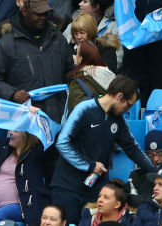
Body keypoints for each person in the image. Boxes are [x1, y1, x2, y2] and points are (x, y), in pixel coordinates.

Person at [51, 76, 151, 222]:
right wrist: (89, 165)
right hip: (68, 187)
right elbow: (62, 143)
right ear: (119, 96)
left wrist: (155, 171)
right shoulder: (84, 108)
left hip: (95, 191)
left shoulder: (118, 120)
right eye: (128, 105)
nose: (127, 110)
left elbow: (133, 149)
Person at [0, 0, 70, 122]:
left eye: (45, 13)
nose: (43, 17)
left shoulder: (58, 39)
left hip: (58, 119)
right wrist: (12, 94)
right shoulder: (6, 44)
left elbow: (69, 72)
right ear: (24, 11)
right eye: (38, 14)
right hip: (24, 122)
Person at [0, 130, 50, 225]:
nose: (10, 132)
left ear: (27, 136)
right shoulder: (4, 148)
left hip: (19, 206)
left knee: (2, 214)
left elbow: (49, 141)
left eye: (15, 130)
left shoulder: (35, 155)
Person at [128, 130, 162, 207]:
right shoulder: (140, 172)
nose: (155, 159)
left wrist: (142, 199)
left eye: (161, 154)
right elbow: (125, 196)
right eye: (150, 155)